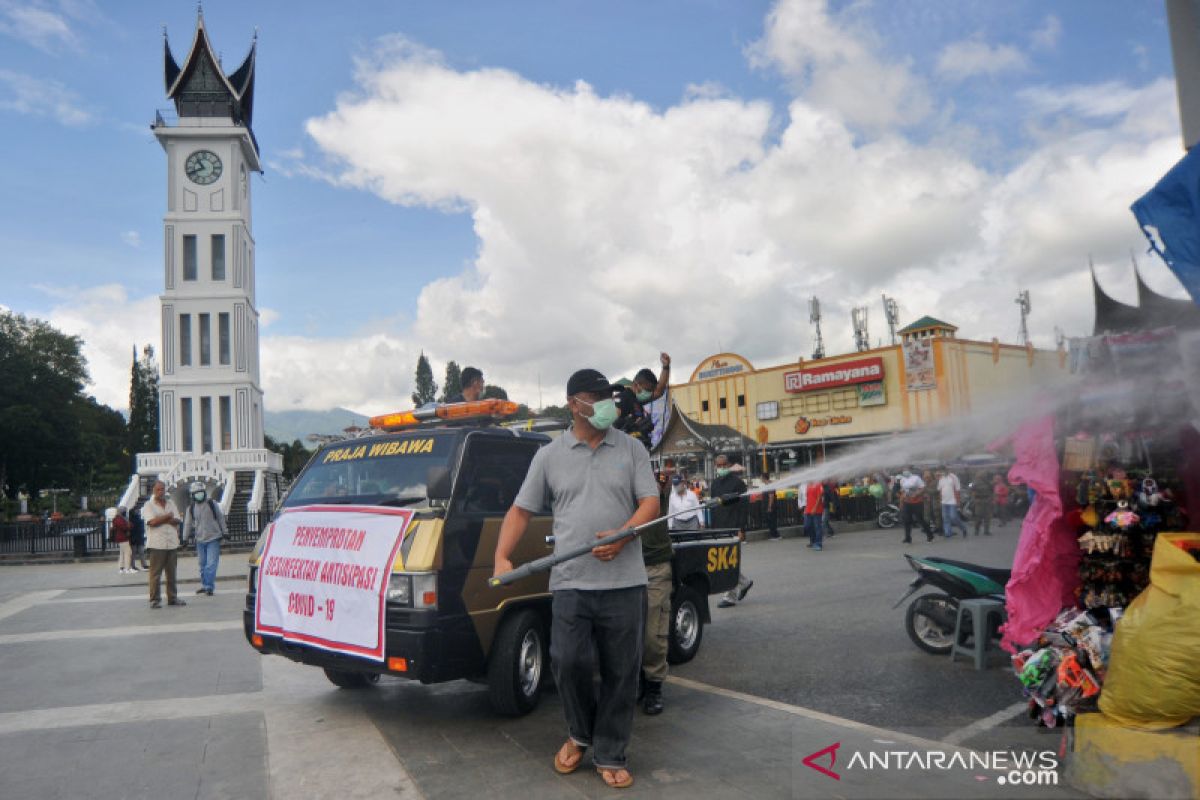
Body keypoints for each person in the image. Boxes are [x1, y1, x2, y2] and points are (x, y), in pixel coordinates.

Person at [493, 368, 658, 790]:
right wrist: (501, 556)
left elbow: (650, 503)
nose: (606, 404)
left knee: (623, 670)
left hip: (624, 582)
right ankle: (580, 734)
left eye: (608, 397)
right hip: (570, 581)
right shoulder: (549, 456)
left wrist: (624, 535)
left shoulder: (632, 449)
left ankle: (611, 751)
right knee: (567, 661)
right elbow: (520, 510)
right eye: (595, 397)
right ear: (573, 404)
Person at [713, 455, 752, 609]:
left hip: (733, 527)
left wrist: (741, 529)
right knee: (723, 562)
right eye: (718, 465)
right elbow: (714, 507)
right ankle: (744, 583)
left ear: (728, 465)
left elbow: (743, 508)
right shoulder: (715, 484)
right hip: (719, 528)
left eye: (723, 465)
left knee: (729, 561)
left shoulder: (738, 483)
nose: (721, 468)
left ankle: (730, 596)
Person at [142, 480, 186, 609]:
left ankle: (172, 598)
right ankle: (155, 599)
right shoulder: (148, 505)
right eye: (158, 489)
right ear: (153, 491)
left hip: (172, 543)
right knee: (155, 573)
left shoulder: (171, 503)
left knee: (171, 573)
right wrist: (167, 516)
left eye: (163, 489)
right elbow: (152, 522)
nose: (161, 491)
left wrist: (162, 518)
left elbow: (177, 520)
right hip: (157, 544)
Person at [614, 353, 671, 449]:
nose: (650, 393)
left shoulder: (637, 400)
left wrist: (666, 367)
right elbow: (608, 426)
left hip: (639, 449)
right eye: (648, 390)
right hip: (624, 451)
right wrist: (628, 426)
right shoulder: (622, 398)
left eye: (651, 390)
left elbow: (659, 391)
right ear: (636, 385)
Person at [183, 481, 228, 596]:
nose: (199, 495)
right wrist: (185, 538)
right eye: (196, 493)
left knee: (211, 564)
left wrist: (225, 532)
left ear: (204, 493)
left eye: (200, 492)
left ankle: (209, 587)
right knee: (202, 564)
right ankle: (205, 584)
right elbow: (187, 524)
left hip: (213, 537)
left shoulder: (212, 504)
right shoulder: (191, 508)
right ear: (192, 495)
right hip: (200, 539)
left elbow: (220, 518)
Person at [899, 468, 933, 545]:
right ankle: (908, 538)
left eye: (906, 470)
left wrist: (916, 494)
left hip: (917, 502)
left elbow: (923, 488)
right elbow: (903, 491)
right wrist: (901, 501)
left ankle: (930, 535)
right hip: (907, 502)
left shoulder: (916, 478)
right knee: (907, 520)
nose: (905, 472)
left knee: (920, 520)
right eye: (903, 470)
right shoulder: (902, 479)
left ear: (909, 471)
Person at [936, 469, 968, 538]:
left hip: (952, 501)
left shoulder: (953, 477)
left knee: (953, 517)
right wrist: (940, 500)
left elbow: (957, 489)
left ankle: (963, 528)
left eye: (943, 471)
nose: (942, 473)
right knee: (945, 518)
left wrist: (958, 500)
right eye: (941, 472)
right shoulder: (941, 478)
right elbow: (940, 490)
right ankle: (948, 533)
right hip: (944, 501)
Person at [111, 506, 135, 574]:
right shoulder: (119, 519)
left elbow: (129, 525)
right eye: (124, 511)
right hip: (123, 538)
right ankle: (127, 568)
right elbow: (124, 527)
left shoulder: (119, 518)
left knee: (122, 553)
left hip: (121, 538)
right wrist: (129, 525)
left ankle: (121, 568)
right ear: (122, 511)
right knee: (128, 553)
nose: (125, 512)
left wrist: (129, 525)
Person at [803, 480, 825, 550]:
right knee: (808, 525)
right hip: (808, 509)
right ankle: (813, 541)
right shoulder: (808, 485)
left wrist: (815, 508)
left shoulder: (818, 484)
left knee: (817, 527)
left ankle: (818, 544)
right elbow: (808, 498)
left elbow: (819, 497)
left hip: (817, 510)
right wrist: (806, 508)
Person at [129, 505, 149, 570]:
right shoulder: (136, 520)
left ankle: (138, 565)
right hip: (137, 537)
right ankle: (140, 565)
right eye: (137, 511)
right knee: (138, 552)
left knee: (136, 552)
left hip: (136, 537)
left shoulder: (133, 519)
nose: (138, 512)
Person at [763, 477, 781, 541]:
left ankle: (774, 536)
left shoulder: (770, 486)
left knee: (771, 521)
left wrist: (769, 507)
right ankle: (777, 535)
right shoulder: (769, 485)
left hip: (771, 507)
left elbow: (771, 496)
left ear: (763, 478)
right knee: (772, 520)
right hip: (773, 506)